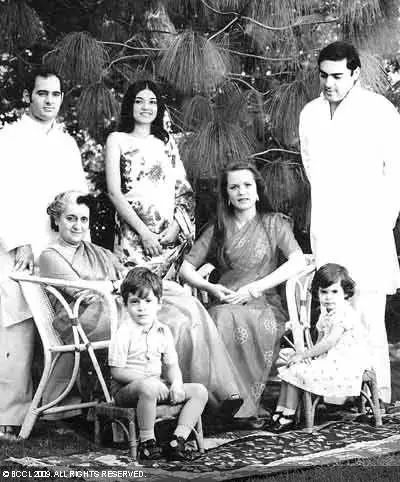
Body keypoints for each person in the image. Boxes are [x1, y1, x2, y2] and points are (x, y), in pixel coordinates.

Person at [40, 191, 245, 416]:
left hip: (115, 306)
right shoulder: (51, 255)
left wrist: (161, 284)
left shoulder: (98, 251)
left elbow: (128, 278)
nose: (78, 225)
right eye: (70, 218)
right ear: (56, 219)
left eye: (83, 219)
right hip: (85, 318)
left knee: (190, 308)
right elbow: (84, 293)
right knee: (172, 324)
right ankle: (192, 402)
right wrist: (120, 284)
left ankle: (218, 395)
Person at [299, 41, 400, 405]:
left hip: (368, 228)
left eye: (338, 76)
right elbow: (312, 169)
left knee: (368, 315)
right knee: (333, 313)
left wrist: (380, 221)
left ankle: (379, 395)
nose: (329, 83)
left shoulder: (379, 110)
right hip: (329, 226)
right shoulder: (310, 113)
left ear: (355, 74)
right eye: (324, 75)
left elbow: (395, 172)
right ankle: (338, 394)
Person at [180, 161, 306, 418]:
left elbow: (298, 261)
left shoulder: (274, 223)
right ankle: (221, 400)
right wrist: (210, 287)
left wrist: (255, 289)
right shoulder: (219, 227)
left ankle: (237, 404)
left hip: (264, 305)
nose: (242, 191)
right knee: (212, 319)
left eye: (247, 185)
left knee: (221, 319)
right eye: (234, 187)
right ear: (226, 194)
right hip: (226, 300)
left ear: (258, 191)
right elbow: (185, 269)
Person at [0, 68, 87, 440]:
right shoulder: (9, 138)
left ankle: (56, 410)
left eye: (55, 94)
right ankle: (8, 414)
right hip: (17, 248)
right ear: (28, 97)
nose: (50, 100)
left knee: (64, 322)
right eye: (42, 93)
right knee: (16, 328)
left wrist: (75, 242)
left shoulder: (67, 144)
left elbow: (77, 198)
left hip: (57, 248)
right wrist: (17, 240)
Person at [109, 267, 208, 461]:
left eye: (148, 301)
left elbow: (171, 366)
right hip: (127, 390)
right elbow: (117, 371)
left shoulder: (163, 331)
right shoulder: (124, 332)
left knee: (200, 391)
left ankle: (177, 440)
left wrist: (176, 383)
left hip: (156, 386)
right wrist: (150, 382)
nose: (141, 307)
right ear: (125, 304)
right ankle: (147, 443)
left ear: (159, 304)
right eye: (134, 302)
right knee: (148, 388)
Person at [105, 79, 194, 278]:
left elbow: (183, 190)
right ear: (130, 104)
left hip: (167, 236)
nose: (146, 107)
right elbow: (114, 192)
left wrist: (176, 227)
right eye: (139, 101)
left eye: (152, 102)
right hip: (133, 234)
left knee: (168, 292)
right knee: (134, 288)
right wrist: (144, 233)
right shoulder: (117, 140)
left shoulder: (166, 142)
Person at [273, 264, 369, 432]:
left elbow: (329, 342)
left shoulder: (343, 313)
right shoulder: (326, 313)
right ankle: (280, 411)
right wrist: (310, 357)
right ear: (317, 292)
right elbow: (320, 340)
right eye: (324, 292)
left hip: (345, 363)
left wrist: (304, 355)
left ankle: (289, 415)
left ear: (345, 293)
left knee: (297, 369)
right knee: (291, 367)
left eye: (334, 292)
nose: (328, 297)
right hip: (330, 359)